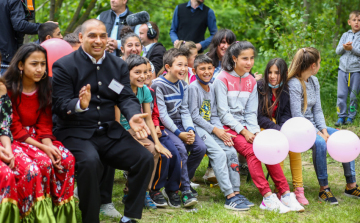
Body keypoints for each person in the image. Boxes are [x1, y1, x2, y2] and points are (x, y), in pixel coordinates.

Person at [51, 19, 154, 223]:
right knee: (90, 163)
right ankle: (91, 219)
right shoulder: (64, 66)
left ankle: (130, 217)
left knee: (144, 159)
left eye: (102, 36)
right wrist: (79, 104)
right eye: (92, 36)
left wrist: (133, 115)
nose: (98, 40)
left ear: (108, 38)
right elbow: (60, 105)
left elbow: (125, 96)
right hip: (75, 132)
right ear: (81, 37)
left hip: (108, 132)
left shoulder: (117, 65)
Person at [214, 41, 304, 213]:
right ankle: (267, 197)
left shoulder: (251, 81)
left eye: (251, 58)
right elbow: (223, 113)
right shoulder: (222, 79)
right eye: (244, 59)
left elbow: (250, 112)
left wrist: (256, 132)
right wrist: (244, 131)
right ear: (234, 59)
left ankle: (285, 193)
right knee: (252, 151)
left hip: (248, 126)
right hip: (228, 127)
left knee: (266, 147)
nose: (249, 63)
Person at [3, 43, 76, 222]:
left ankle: (62, 216)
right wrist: (43, 148)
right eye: (34, 64)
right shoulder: (8, 88)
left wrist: (49, 146)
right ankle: (32, 215)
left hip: (39, 136)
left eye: (43, 64)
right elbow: (13, 127)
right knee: (38, 166)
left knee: (66, 159)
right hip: (15, 139)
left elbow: (45, 122)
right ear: (21, 65)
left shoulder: (45, 86)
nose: (39, 69)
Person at [288, 47, 360, 204]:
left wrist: (325, 130)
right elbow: (297, 117)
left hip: (314, 127)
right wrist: (319, 135)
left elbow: (318, 110)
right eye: (319, 62)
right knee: (320, 143)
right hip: (299, 129)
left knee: (344, 137)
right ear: (313, 65)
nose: (320, 65)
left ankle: (351, 185)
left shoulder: (314, 81)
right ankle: (324, 189)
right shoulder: (294, 84)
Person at [189, 55, 253, 211]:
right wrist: (214, 129)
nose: (206, 71)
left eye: (209, 68)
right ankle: (229, 196)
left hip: (213, 128)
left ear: (213, 69)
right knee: (218, 154)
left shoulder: (212, 87)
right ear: (194, 70)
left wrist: (221, 132)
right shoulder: (193, 88)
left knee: (230, 150)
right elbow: (194, 116)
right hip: (199, 128)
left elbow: (216, 114)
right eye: (202, 68)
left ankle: (236, 191)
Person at [151, 48, 207, 207]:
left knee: (200, 148)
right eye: (179, 65)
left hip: (181, 124)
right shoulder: (158, 85)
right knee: (181, 149)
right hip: (166, 126)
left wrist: (189, 129)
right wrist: (179, 133)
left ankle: (179, 183)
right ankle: (184, 190)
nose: (183, 69)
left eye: (185, 65)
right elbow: (162, 115)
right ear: (168, 67)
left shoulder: (183, 85)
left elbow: (184, 110)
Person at [119, 55, 173, 210]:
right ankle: (130, 192)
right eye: (137, 72)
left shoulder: (144, 91)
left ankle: (144, 192)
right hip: (120, 131)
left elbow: (148, 118)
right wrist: (131, 140)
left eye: (145, 72)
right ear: (127, 72)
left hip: (138, 130)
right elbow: (116, 121)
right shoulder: (119, 88)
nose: (142, 76)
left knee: (154, 152)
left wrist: (157, 143)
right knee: (141, 152)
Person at [257, 58, 309, 205]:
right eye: (270, 72)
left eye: (277, 73)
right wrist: (277, 129)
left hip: (279, 126)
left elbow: (286, 114)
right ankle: (280, 187)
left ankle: (299, 188)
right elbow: (259, 116)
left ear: (284, 74)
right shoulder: (260, 87)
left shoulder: (285, 90)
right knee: (278, 145)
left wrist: (284, 128)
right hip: (263, 126)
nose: (273, 76)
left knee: (294, 147)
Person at [0, 0, 50, 75]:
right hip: (6, 56)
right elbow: (19, 25)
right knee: (7, 85)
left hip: (4, 53)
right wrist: (44, 27)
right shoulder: (14, 1)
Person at [335, 10, 360, 126]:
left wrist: (352, 49)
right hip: (342, 70)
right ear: (349, 22)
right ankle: (341, 116)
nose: (357, 22)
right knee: (341, 94)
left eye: (359, 20)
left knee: (354, 95)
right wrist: (344, 48)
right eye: (354, 20)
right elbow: (337, 51)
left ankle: (351, 117)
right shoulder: (345, 35)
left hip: (356, 71)